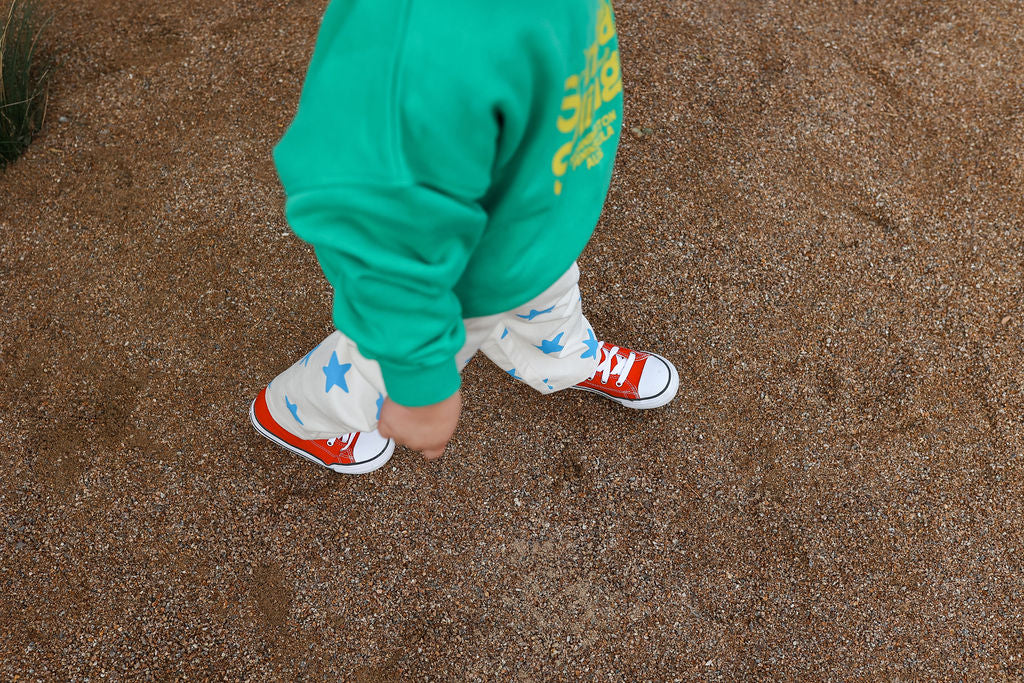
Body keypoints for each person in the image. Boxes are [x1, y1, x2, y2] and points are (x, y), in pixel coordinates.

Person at [250, 0, 679, 474]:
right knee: (375, 369)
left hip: (530, 231)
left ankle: (563, 358)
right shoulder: (415, 55)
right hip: (454, 282)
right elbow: (383, 238)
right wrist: (420, 391)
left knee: (550, 302)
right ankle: (299, 414)